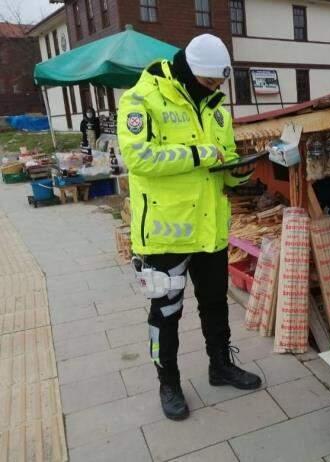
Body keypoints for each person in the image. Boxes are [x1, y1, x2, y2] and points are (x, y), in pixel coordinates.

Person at [117, 34, 260, 421]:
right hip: (166, 235)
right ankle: (169, 382)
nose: (216, 89)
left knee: (215, 303)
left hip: (209, 230)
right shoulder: (141, 98)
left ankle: (220, 365)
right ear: (192, 72)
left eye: (219, 84)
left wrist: (239, 172)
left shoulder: (216, 108)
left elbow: (224, 163)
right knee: (166, 313)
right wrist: (199, 155)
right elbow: (137, 157)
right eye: (211, 82)